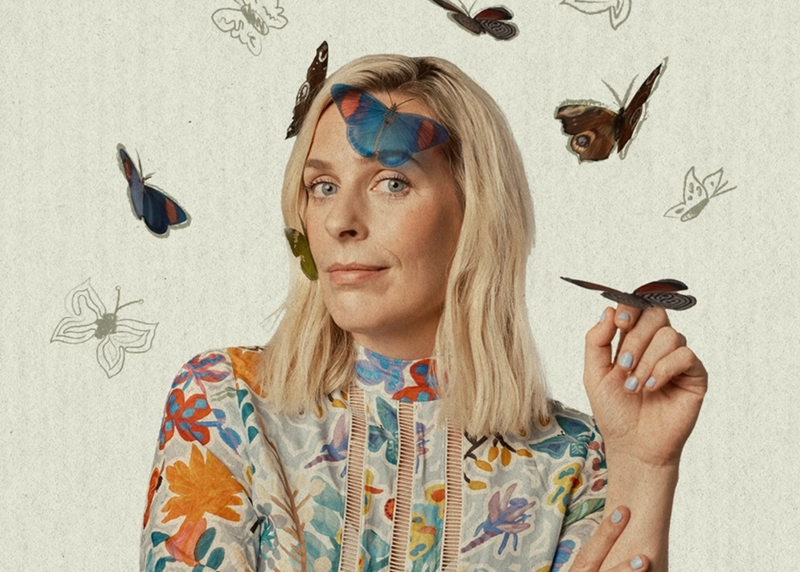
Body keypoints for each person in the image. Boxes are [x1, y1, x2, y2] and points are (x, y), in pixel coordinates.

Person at [140, 54, 707, 572]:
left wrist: (644, 466)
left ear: (476, 213)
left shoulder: (572, 459)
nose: (341, 221)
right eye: (322, 185)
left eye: (391, 181)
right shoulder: (224, 402)